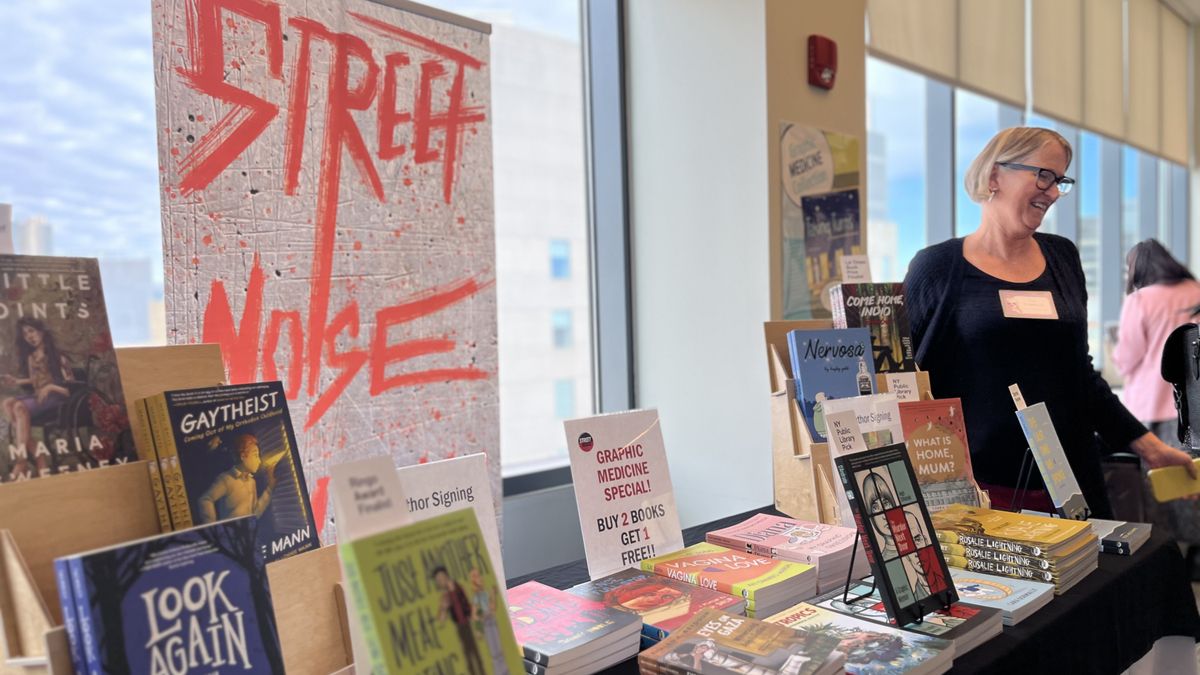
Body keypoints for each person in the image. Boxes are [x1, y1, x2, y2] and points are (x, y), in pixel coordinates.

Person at [904, 127, 1195, 517]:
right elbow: (905, 379)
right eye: (1043, 176)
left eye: (1060, 180)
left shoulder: (1062, 258)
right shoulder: (938, 267)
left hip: (1071, 485)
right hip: (981, 494)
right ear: (994, 177)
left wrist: (1151, 447)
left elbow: (1080, 375)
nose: (1054, 192)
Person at [1112, 239, 1200, 565]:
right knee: (1192, 480)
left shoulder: (1141, 300)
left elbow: (1127, 358)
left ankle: (1169, 555)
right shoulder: (1195, 290)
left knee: (1161, 488)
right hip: (1194, 407)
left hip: (1153, 408)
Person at [1, 317, 74, 480]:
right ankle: (39, 457)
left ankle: (22, 461)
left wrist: (50, 387)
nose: (29, 336)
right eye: (25, 334)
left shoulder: (58, 356)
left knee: (19, 407)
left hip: (57, 399)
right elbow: (35, 381)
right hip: (39, 398)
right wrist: (16, 381)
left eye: (31, 331)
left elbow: (71, 390)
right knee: (7, 403)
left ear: (41, 331)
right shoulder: (31, 357)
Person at [197, 433, 276, 522]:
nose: (259, 461)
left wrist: (270, 488)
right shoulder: (226, 479)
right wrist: (214, 529)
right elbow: (205, 500)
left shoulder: (252, 482)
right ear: (242, 456)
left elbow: (255, 513)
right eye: (255, 455)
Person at [434, 566, 486, 675]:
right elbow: (440, 620)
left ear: (446, 576)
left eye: (440, 579)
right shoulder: (445, 595)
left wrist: (475, 621)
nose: (440, 582)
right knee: (467, 655)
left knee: (475, 652)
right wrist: (443, 607)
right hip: (459, 627)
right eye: (438, 581)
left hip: (468, 623)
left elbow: (467, 604)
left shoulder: (458, 587)